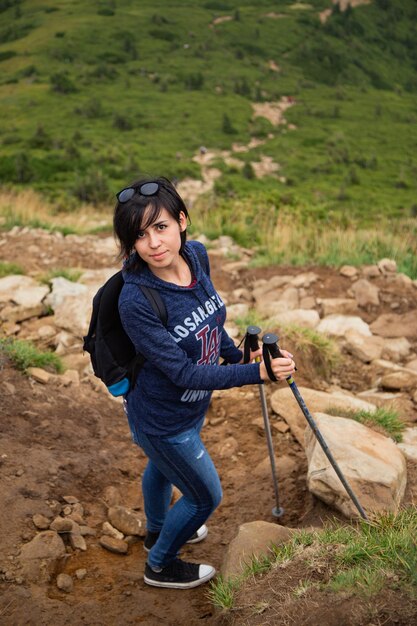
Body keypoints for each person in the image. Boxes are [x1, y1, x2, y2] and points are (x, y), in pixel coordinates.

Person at [113, 177, 296, 590]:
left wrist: (237, 357)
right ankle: (160, 564)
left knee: (159, 470)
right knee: (204, 498)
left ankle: (157, 531)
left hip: (189, 408)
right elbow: (182, 372)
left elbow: (211, 320)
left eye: (160, 227)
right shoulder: (137, 300)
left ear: (182, 221)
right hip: (162, 418)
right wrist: (259, 374)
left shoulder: (196, 256)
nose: (153, 243)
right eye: (139, 236)